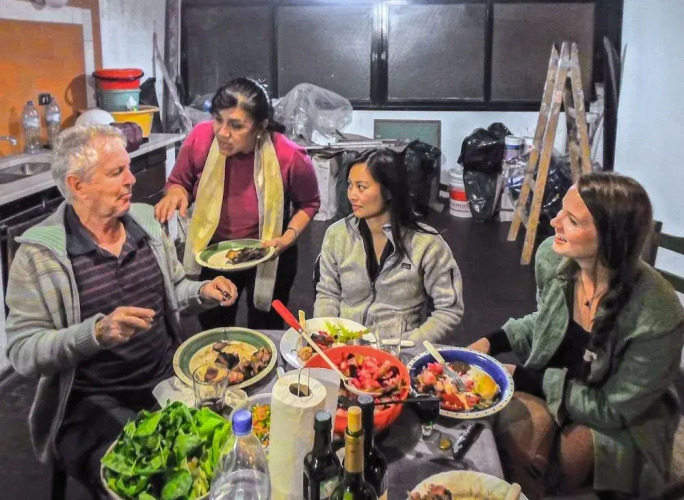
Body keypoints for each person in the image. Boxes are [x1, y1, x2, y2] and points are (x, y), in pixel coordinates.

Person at [4, 125, 238, 498]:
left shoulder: (145, 224)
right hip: (89, 402)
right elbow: (22, 352)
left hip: (168, 380)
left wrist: (202, 292)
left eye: (128, 168)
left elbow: (174, 291)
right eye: (117, 172)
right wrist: (94, 334)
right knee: (153, 481)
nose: (132, 179)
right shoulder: (39, 256)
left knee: (234, 451)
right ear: (78, 185)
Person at [468, 172, 684, 499]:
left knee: (559, 459)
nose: (553, 221)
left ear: (610, 238)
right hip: (562, 387)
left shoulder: (657, 313)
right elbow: (548, 322)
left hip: (621, 419)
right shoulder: (553, 257)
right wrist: (492, 341)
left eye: (571, 220)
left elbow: (613, 409)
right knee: (489, 421)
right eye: (561, 211)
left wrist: (526, 379)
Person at [155, 77, 320, 330]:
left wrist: (287, 238)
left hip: (270, 251)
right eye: (218, 119)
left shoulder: (289, 156)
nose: (222, 132)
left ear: (261, 126)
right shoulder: (201, 138)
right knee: (215, 326)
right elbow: (179, 182)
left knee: (266, 326)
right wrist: (176, 193)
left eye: (236, 125)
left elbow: (309, 203)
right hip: (214, 253)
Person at [314, 148, 463, 343]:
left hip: (398, 351)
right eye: (350, 185)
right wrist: (326, 336)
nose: (352, 195)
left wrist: (408, 344)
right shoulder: (337, 235)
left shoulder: (427, 245)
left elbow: (449, 310)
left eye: (361, 187)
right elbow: (328, 294)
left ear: (389, 190)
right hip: (344, 347)